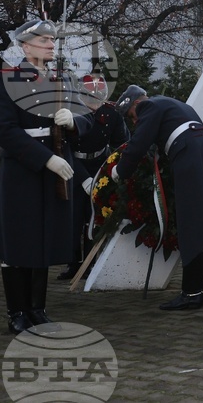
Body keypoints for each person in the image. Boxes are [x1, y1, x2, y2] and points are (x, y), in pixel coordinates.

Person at [113, 85, 203, 310]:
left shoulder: (149, 106)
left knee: (193, 223)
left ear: (136, 104)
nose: (134, 121)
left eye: (131, 116)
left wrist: (120, 170)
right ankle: (201, 277)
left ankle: (192, 294)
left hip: (190, 157)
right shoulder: (174, 104)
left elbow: (138, 144)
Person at [0, 19, 78, 333]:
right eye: (42, 40)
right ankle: (17, 313)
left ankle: (37, 310)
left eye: (52, 40)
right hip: (24, 170)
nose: (50, 44)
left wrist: (74, 122)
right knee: (18, 243)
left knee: (43, 240)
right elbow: (5, 131)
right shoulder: (7, 80)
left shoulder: (62, 80)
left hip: (54, 169)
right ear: (25, 46)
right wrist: (46, 160)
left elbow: (89, 124)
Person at [57, 74, 129, 281]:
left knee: (94, 216)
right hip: (73, 167)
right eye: (90, 98)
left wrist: (114, 170)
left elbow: (121, 143)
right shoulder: (71, 113)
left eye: (98, 98)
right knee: (73, 218)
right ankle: (73, 263)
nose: (94, 104)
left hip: (100, 165)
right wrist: (82, 178)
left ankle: (91, 262)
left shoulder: (111, 113)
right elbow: (64, 149)